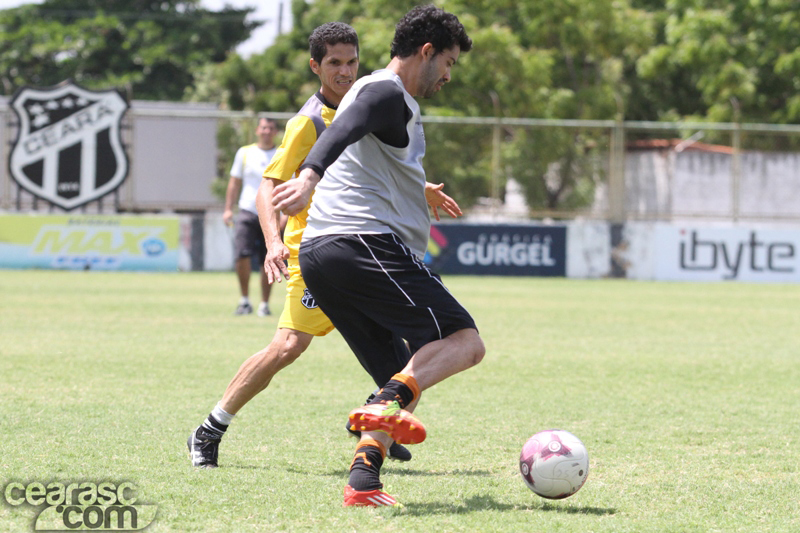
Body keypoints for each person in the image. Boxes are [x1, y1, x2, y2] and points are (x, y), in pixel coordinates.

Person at [187, 21, 463, 469]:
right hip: (317, 250)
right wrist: (273, 241)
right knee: (288, 347)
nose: (345, 72)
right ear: (316, 66)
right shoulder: (309, 121)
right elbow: (268, 187)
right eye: (334, 63)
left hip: (365, 247)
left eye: (352, 61)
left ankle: (378, 427)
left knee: (407, 354)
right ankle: (210, 428)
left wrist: (420, 188)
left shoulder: (370, 99)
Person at [272, 5, 485, 507]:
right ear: (426, 52)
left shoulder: (389, 98)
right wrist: (308, 175)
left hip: (326, 256)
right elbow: (341, 133)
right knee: (464, 342)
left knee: (406, 370)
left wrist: (418, 187)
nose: (450, 75)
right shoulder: (385, 90)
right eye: (449, 62)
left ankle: (363, 481)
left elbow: (365, 147)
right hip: (362, 243)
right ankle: (387, 405)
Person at [224, 117, 281, 316]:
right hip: (247, 209)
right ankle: (244, 300)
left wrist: (286, 216)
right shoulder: (245, 152)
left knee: (270, 258)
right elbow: (234, 182)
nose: (266, 131)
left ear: (275, 132)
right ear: (258, 130)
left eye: (271, 128)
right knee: (241, 255)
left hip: (272, 212)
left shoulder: (281, 153)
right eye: (264, 127)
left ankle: (264, 304)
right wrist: (228, 209)